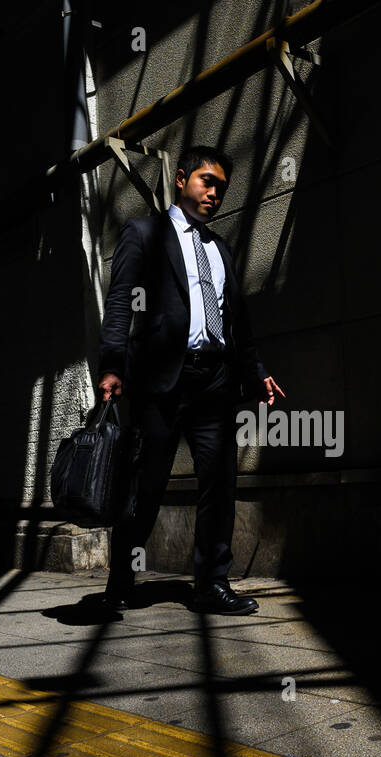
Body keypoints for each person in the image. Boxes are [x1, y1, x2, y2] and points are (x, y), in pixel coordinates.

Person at [95, 145, 284, 615]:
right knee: (147, 486)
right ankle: (120, 580)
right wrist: (112, 366)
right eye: (206, 181)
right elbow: (120, 305)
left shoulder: (220, 248)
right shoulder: (144, 233)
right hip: (160, 383)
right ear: (181, 180)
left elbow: (238, 320)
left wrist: (256, 372)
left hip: (215, 380)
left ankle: (211, 585)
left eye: (221, 186)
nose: (214, 193)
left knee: (219, 482)